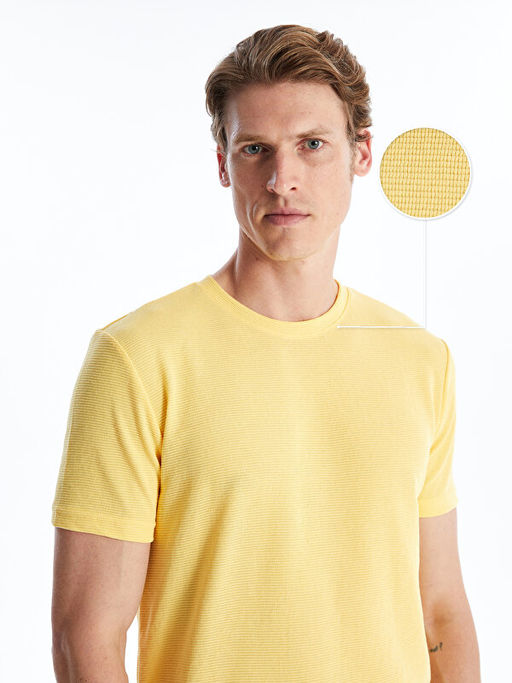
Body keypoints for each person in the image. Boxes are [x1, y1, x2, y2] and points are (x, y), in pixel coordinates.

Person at [51, 23, 480, 683]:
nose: (283, 180)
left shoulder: (421, 360)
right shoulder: (137, 357)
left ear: (362, 152)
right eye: (256, 149)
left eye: (312, 145)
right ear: (224, 163)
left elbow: (441, 612)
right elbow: (86, 636)